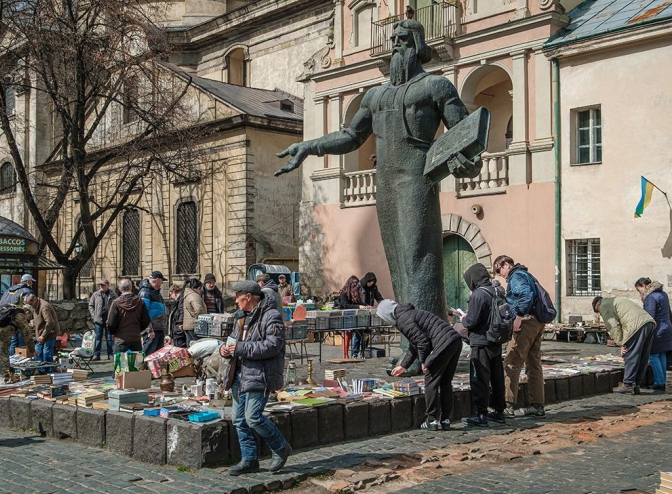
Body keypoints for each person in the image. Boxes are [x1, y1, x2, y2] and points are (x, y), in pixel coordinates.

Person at [274, 19, 482, 370]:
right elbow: (350, 137)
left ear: (417, 46)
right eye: (393, 40)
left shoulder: (436, 86)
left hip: (418, 177)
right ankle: (412, 344)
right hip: (384, 182)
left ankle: (431, 346)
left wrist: (469, 164)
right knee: (400, 268)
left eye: (403, 40)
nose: (395, 46)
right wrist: (309, 147)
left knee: (420, 261)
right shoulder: (375, 96)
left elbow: (465, 135)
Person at [220, 280, 291, 475]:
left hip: (259, 375)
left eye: (238, 297)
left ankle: (280, 447)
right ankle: (249, 459)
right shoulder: (240, 318)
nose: (236, 301)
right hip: (239, 374)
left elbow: (273, 345)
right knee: (239, 420)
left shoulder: (271, 316)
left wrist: (240, 348)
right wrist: (224, 350)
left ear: (248, 297)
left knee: (253, 418)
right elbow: (233, 342)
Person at [379, 299, 462, 430]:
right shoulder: (409, 314)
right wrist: (404, 366)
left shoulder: (403, 320)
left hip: (443, 344)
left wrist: (425, 361)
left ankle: (432, 420)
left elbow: (422, 343)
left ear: (387, 314)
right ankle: (445, 419)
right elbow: (414, 345)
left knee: (431, 382)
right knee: (445, 382)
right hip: (454, 340)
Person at [493, 255, 546, 418]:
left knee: (511, 361)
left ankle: (507, 405)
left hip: (527, 321)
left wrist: (519, 317)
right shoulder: (526, 274)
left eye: (498, 269)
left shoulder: (516, 277)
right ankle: (537, 405)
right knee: (533, 362)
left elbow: (526, 296)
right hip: (538, 321)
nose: (499, 274)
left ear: (506, 265)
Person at [459, 263, 506, 426]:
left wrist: (462, 319)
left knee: (480, 377)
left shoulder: (478, 295)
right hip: (496, 339)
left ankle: (481, 414)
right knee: (497, 376)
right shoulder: (498, 290)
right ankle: (499, 411)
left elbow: (471, 321)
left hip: (481, 341)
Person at [593, 296, 656, 394]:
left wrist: (621, 343)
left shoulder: (604, 305)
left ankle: (628, 384)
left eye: (598, 311)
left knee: (631, 354)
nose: (600, 314)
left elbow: (613, 326)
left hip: (636, 325)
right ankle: (637, 384)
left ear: (598, 305)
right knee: (643, 355)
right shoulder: (614, 300)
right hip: (649, 322)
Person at [634, 278, 672, 392]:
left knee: (653, 355)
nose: (640, 293)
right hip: (666, 327)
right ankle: (662, 381)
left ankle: (659, 382)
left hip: (657, 329)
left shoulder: (651, 297)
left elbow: (649, 316)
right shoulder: (663, 294)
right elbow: (669, 312)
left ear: (643, 286)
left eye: (639, 290)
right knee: (661, 354)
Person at [0, 305, 35, 377]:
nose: (28, 318)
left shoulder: (10, 307)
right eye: (29, 316)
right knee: (4, 356)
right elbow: (27, 334)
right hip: (3, 334)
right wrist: (32, 349)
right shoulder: (20, 315)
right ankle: (4, 376)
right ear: (27, 312)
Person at [107, 278, 151, 352]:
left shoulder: (116, 303)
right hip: (135, 338)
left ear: (120, 289)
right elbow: (146, 320)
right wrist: (138, 329)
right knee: (136, 363)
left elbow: (111, 323)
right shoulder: (140, 301)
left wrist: (114, 333)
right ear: (131, 288)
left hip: (120, 339)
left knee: (120, 363)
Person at [2, 274, 36, 356]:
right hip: (20, 318)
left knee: (13, 341)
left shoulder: (11, 289)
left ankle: (11, 361)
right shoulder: (27, 291)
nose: (32, 284)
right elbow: (29, 306)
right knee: (22, 342)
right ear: (28, 281)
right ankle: (21, 362)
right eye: (31, 282)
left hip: (8, 319)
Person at [353, 272, 384, 358]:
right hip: (360, 313)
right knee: (358, 333)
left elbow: (378, 297)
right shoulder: (359, 286)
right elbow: (356, 299)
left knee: (366, 334)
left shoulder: (374, 288)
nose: (370, 284)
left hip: (368, 313)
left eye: (372, 282)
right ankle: (354, 353)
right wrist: (363, 306)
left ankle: (363, 352)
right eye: (369, 282)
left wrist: (382, 303)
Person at [334, 275, 367, 358]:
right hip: (346, 317)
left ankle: (356, 353)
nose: (356, 287)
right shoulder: (344, 293)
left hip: (354, 317)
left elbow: (357, 302)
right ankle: (345, 355)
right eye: (355, 285)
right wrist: (359, 307)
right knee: (347, 335)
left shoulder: (355, 293)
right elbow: (346, 305)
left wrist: (365, 305)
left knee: (359, 333)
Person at [23, 293, 59, 365]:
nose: (29, 307)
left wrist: (43, 335)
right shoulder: (35, 306)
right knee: (37, 352)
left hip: (49, 333)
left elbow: (50, 322)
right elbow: (39, 319)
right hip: (41, 333)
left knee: (46, 353)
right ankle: (40, 370)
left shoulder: (44, 307)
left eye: (30, 304)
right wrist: (32, 325)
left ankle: (48, 370)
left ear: (34, 300)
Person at [138, 271, 168, 355]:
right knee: (148, 354)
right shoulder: (145, 292)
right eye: (162, 281)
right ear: (158, 280)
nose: (162, 284)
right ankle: (145, 368)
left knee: (157, 355)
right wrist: (149, 330)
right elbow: (143, 313)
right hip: (152, 330)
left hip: (158, 328)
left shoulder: (155, 292)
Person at [88, 279, 115, 361]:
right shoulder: (95, 294)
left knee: (109, 338)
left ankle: (110, 354)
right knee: (98, 337)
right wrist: (94, 316)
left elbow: (117, 305)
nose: (101, 286)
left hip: (109, 319)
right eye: (100, 285)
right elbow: (91, 305)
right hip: (99, 319)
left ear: (108, 285)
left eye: (103, 285)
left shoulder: (113, 294)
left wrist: (114, 317)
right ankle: (96, 354)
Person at [182, 278, 206, 346]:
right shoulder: (195, 296)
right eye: (200, 289)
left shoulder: (187, 295)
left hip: (187, 325)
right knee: (198, 346)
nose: (201, 291)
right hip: (195, 326)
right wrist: (198, 318)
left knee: (190, 347)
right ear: (197, 288)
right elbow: (198, 310)